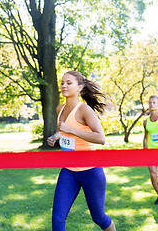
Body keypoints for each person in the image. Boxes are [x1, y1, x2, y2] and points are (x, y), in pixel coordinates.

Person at [47, 71, 116, 231]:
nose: (64, 85)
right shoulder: (60, 108)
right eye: (62, 82)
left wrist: (71, 130)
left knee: (99, 217)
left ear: (80, 87)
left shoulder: (84, 110)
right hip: (69, 171)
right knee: (57, 220)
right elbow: (63, 130)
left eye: (69, 83)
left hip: (91, 171)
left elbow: (101, 138)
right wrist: (56, 136)